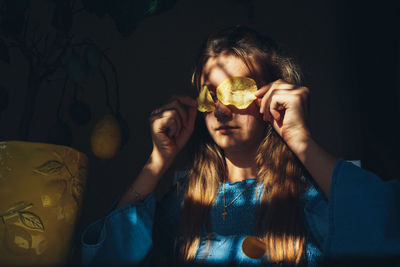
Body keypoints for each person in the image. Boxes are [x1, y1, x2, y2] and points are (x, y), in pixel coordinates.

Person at [81, 26, 400, 266]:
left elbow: (384, 231)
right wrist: (157, 162)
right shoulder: (185, 202)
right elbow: (106, 258)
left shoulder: (311, 196)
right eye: (211, 94)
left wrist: (301, 141)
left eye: (238, 90)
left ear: (273, 95)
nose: (221, 109)